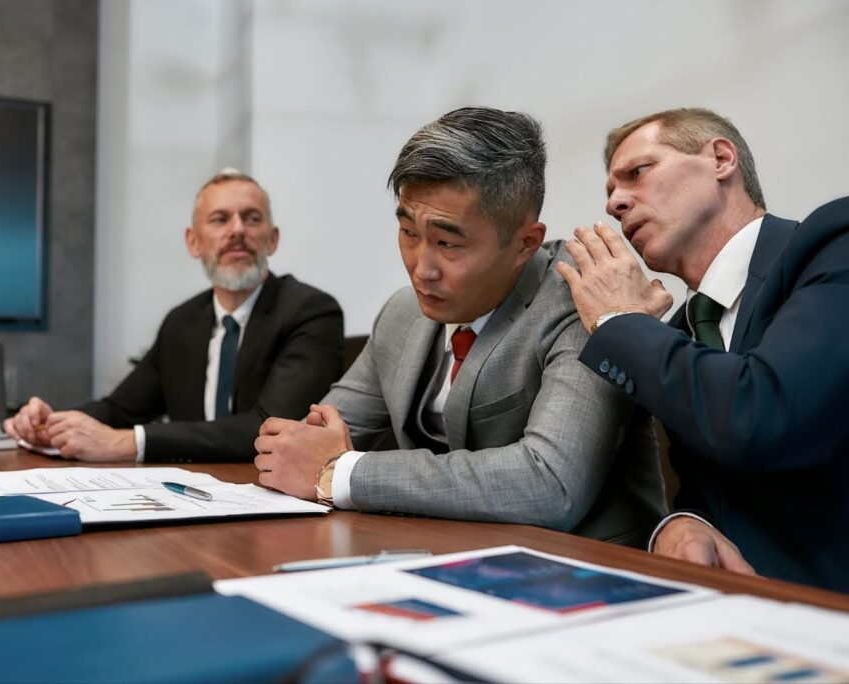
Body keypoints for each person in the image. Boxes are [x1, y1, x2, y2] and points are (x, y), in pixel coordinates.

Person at [253, 107, 665, 545]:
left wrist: (344, 472)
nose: (421, 269)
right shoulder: (401, 313)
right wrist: (305, 454)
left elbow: (549, 484)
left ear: (526, 242)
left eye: (448, 243)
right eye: (409, 233)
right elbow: (309, 446)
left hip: (589, 571)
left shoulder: (580, 302)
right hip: (441, 557)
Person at [556, 107, 849, 592]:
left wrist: (618, 321)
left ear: (720, 158)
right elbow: (707, 490)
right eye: (609, 192)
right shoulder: (673, 332)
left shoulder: (832, 243)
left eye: (637, 173)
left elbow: (761, 417)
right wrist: (677, 524)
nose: (615, 203)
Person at [4, 169, 344, 463]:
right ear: (193, 242)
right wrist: (50, 424)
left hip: (275, 499)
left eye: (252, 218)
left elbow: (270, 427)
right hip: (192, 491)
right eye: (220, 219)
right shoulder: (182, 321)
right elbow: (120, 410)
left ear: (272, 240)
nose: (237, 230)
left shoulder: (310, 312)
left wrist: (128, 443)